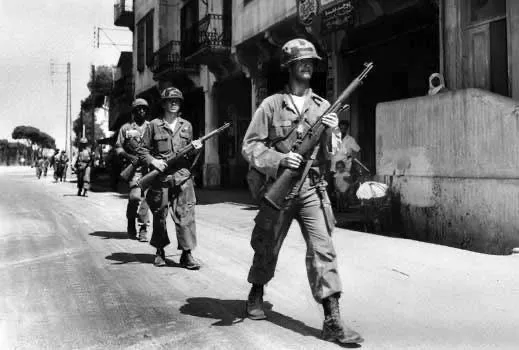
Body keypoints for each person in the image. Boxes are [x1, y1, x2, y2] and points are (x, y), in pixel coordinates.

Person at [241, 38, 364, 345]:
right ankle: (257, 291)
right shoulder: (270, 105)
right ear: (290, 67)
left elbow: (335, 155)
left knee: (323, 249)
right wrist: (280, 159)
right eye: (301, 62)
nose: (308, 65)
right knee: (268, 245)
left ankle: (332, 319)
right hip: (279, 189)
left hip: (311, 188)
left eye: (311, 62)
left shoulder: (323, 106)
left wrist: (334, 132)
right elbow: (250, 146)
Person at [137, 87, 202, 269]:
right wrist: (153, 161)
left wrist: (197, 149)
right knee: (159, 215)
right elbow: (142, 150)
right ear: (164, 103)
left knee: (186, 215)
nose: (174, 103)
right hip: (161, 178)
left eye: (177, 100)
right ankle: (160, 250)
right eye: (170, 100)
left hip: (182, 177)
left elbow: (191, 157)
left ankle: (187, 254)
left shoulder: (187, 125)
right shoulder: (153, 125)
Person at [115, 98, 151, 242]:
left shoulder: (151, 126)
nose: (141, 111)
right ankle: (131, 222)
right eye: (138, 109)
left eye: (144, 109)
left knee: (146, 199)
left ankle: (143, 228)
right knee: (135, 197)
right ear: (133, 111)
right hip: (135, 167)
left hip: (149, 167)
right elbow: (118, 147)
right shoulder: (126, 128)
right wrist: (128, 156)